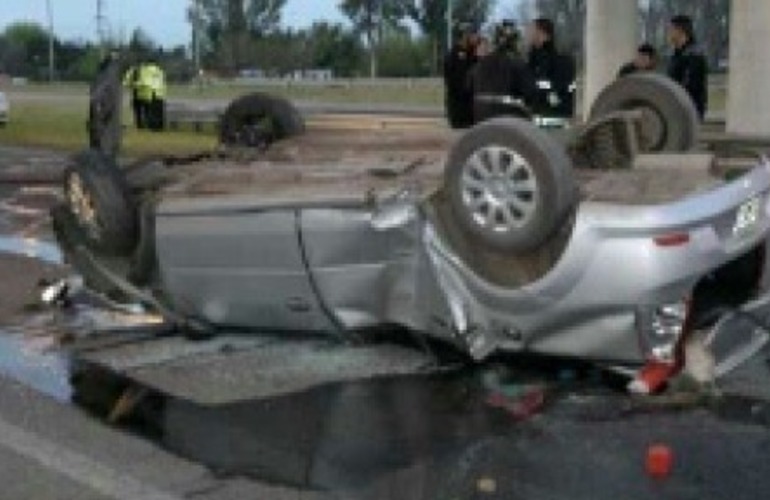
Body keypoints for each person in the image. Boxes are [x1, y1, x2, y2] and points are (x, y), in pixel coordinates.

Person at [469, 22, 536, 124]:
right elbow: (530, 93)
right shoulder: (518, 65)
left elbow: (468, 89)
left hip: (481, 124)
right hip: (511, 124)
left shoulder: (477, 68)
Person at [526, 18, 576, 118]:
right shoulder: (532, 61)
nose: (529, 34)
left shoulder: (560, 62)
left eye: (533, 31)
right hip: (537, 114)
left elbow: (560, 89)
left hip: (552, 115)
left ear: (544, 35)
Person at [667, 15, 708, 119]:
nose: (669, 33)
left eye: (671, 29)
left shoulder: (694, 55)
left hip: (688, 109)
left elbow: (692, 85)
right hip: (676, 107)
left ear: (680, 30)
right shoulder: (676, 54)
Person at [443, 24, 478, 129]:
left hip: (472, 105)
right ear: (465, 36)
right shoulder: (453, 55)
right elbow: (452, 81)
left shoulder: (474, 54)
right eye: (473, 35)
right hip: (459, 105)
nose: (476, 38)